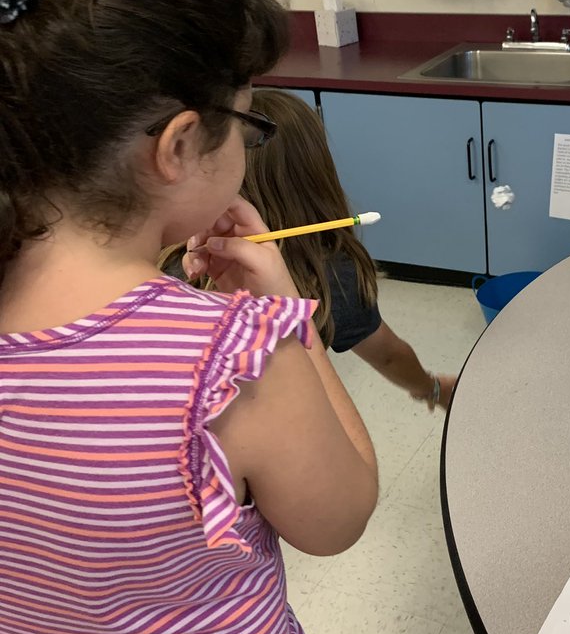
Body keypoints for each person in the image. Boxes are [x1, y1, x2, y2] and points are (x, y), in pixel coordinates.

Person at [0, 0, 378, 634]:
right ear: (178, 146)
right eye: (245, 123)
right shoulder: (226, 356)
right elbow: (342, 513)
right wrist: (286, 313)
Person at [168, 88, 456, 411]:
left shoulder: (174, 257)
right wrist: (431, 388)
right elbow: (388, 355)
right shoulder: (330, 275)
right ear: (315, 175)